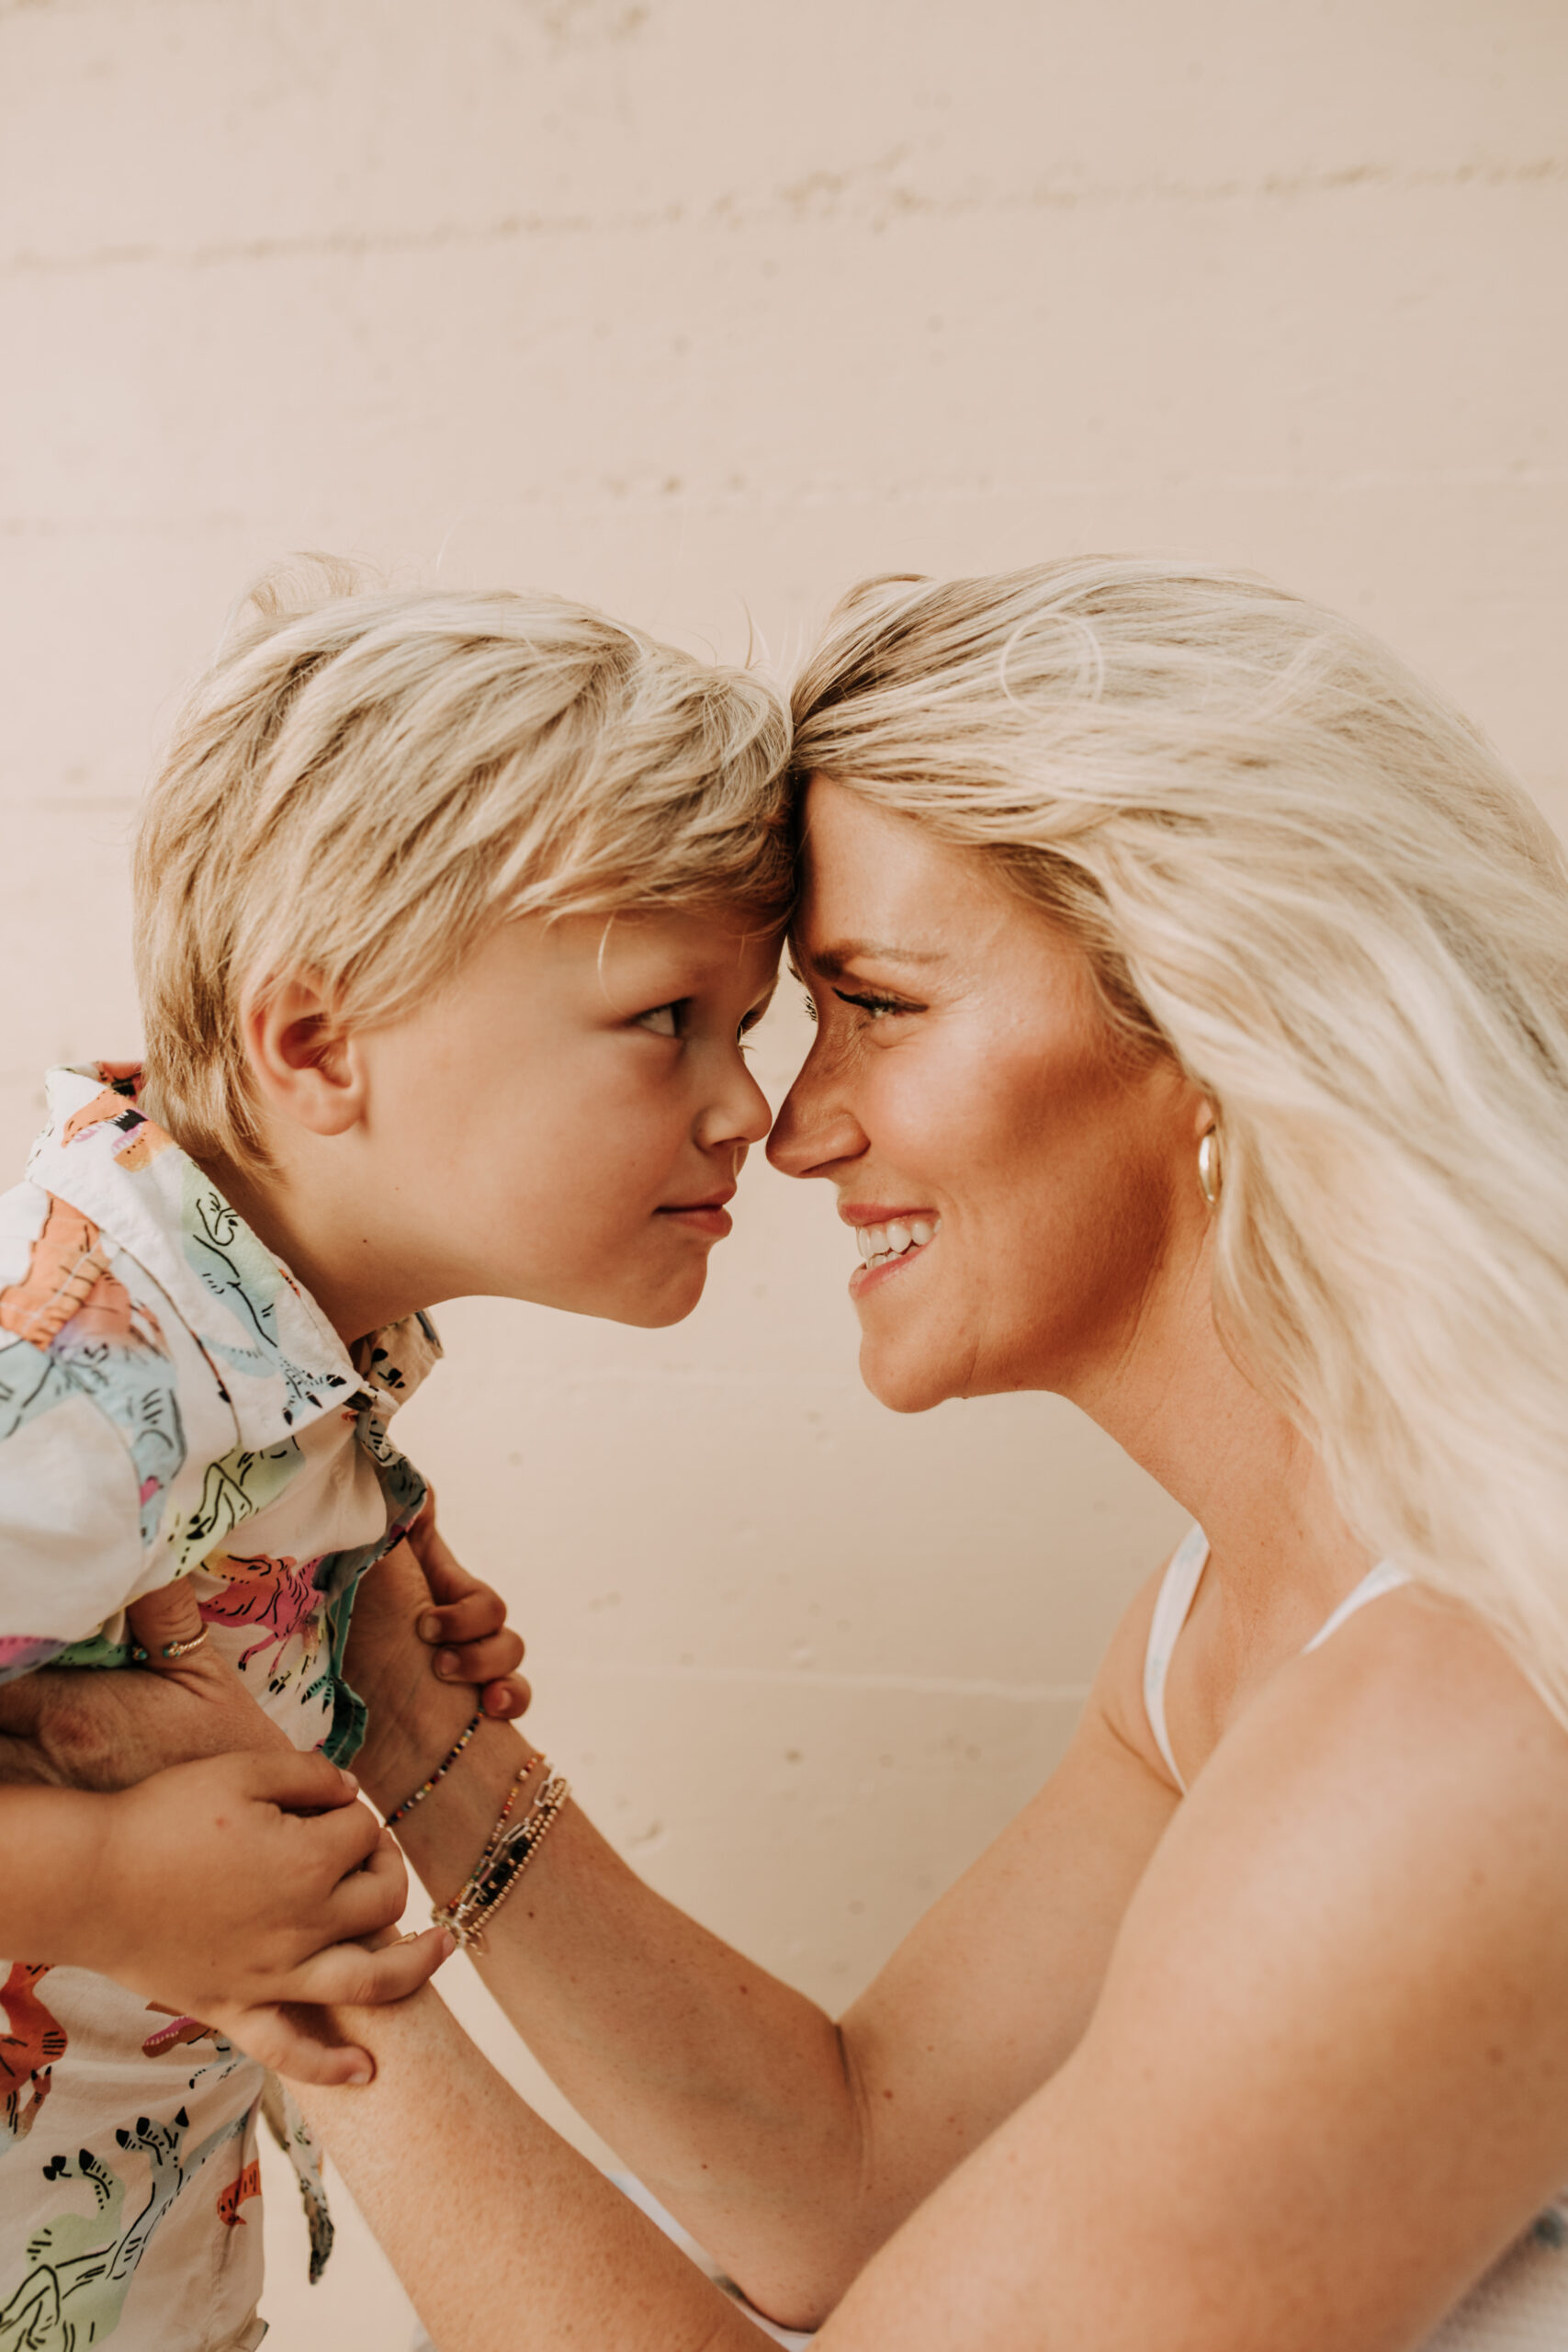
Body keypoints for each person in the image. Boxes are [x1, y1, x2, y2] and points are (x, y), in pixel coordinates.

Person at [284, 558, 1568, 2351]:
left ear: (1214, 1025)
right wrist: (414, 1742)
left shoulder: (1453, 1722)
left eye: (874, 1000)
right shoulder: (1220, 1628)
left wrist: (298, 1978)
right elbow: (850, 2174)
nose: (791, 1125)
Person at [0, 564, 790, 2351]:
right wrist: (113, 1886)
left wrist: (355, 1630)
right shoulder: (75, 1372)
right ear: (318, 1043)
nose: (745, 1103)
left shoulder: (277, 1332)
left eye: (746, 1025)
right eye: (668, 1015)